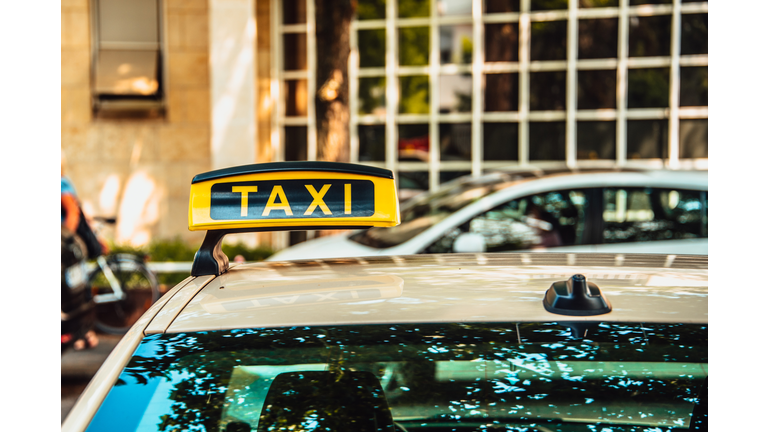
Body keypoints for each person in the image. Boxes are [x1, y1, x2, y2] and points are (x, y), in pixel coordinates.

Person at [61, 152, 102, 351]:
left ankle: (81, 333)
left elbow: (72, 212)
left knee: (73, 291)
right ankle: (82, 334)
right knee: (77, 289)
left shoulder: (60, 184)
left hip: (66, 250)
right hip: (72, 248)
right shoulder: (65, 181)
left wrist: (62, 239)